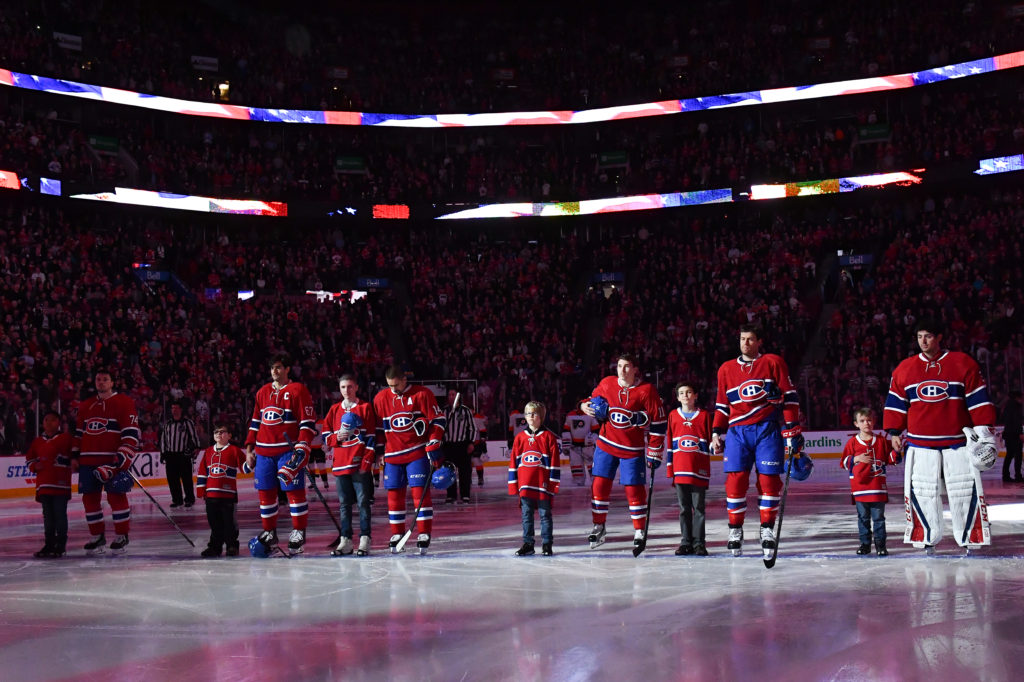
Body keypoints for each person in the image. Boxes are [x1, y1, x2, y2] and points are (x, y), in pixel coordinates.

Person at [884, 320, 996, 553]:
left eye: (928, 336)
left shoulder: (963, 363)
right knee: (923, 492)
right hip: (920, 444)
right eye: (919, 337)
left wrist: (985, 434)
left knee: (964, 491)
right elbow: (896, 404)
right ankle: (925, 536)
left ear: (940, 337)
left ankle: (969, 538)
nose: (923, 341)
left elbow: (978, 402)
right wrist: (894, 431)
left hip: (958, 443)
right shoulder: (904, 369)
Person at [711, 324, 802, 558]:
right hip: (737, 432)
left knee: (770, 481)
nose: (746, 343)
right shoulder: (726, 369)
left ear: (759, 341)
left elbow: (790, 398)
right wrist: (715, 433)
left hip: (767, 430)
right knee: (736, 481)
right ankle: (735, 530)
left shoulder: (773, 362)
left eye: (750, 339)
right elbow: (722, 405)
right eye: (742, 339)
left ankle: (767, 529)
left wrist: (792, 429)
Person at [580, 353, 666, 550]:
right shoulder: (607, 383)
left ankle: (639, 530)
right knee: (599, 486)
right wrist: (583, 405)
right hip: (605, 445)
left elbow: (659, 422)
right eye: (619, 365)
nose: (622, 370)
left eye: (627, 366)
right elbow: (591, 399)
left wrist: (655, 449)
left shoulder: (646, 390)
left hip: (632, 449)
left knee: (634, 489)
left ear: (635, 369)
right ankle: (598, 526)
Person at [244, 354, 317, 554]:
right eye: (272, 368)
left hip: (287, 451)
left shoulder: (298, 390)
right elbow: (255, 422)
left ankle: (298, 531)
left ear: (287, 369)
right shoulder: (262, 392)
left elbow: (307, 421)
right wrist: (250, 448)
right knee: (265, 493)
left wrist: (302, 445)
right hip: (263, 452)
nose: (274, 371)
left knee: (294, 491)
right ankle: (269, 532)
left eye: (278, 367)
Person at [373, 365, 446, 553]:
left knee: (419, 494)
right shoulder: (381, 398)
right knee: (394, 495)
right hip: (392, 455)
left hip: (416, 452)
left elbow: (438, 420)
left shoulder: (422, 394)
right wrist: (380, 452)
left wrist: (434, 440)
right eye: (389, 385)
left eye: (396, 385)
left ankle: (424, 532)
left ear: (404, 380)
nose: (393, 389)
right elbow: (379, 429)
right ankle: (397, 533)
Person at [73, 368, 140, 554]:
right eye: (98, 379)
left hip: (111, 459)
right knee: (89, 499)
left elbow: (131, 432)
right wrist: (75, 455)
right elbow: (79, 433)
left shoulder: (124, 402)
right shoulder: (86, 405)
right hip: (88, 460)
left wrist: (123, 454)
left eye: (105, 379)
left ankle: (121, 535)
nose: (101, 382)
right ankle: (97, 536)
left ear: (112, 383)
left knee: (116, 496)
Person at [323, 374, 377, 556]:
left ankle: (365, 538)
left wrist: (366, 462)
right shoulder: (334, 410)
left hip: (358, 465)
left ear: (356, 388)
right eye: (343, 387)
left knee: (363, 502)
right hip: (340, 465)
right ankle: (345, 540)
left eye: (350, 387)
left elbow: (371, 438)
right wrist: (334, 438)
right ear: (340, 389)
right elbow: (325, 436)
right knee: (344, 504)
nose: (347, 390)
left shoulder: (365, 408)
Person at [841, 408, 900, 556]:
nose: (866, 423)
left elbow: (891, 460)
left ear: (873, 422)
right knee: (863, 518)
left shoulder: (881, 441)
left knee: (879, 519)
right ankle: (865, 545)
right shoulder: (852, 443)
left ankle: (881, 546)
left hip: (877, 488)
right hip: (860, 488)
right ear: (856, 424)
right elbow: (843, 462)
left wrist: (897, 451)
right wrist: (856, 458)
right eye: (862, 421)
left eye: (869, 420)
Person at [508, 401, 560, 556]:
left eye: (534, 413)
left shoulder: (549, 437)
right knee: (526, 515)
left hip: (542, 485)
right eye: (528, 413)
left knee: (545, 515)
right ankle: (528, 543)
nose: (531, 416)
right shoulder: (519, 438)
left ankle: (546, 544)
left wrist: (553, 484)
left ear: (541, 416)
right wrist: (513, 484)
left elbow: (554, 463)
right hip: (525, 485)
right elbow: (514, 462)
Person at [665, 382, 711, 556]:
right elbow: (670, 444)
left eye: (689, 392)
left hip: (698, 470)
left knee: (698, 508)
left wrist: (706, 471)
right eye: (682, 393)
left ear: (696, 395)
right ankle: (686, 542)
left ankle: (699, 543)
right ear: (677, 397)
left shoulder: (704, 415)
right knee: (684, 508)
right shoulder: (672, 416)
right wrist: (670, 470)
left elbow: (707, 443)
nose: (685, 395)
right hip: (680, 470)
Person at [25, 411, 73, 558]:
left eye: (52, 420)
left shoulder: (66, 438)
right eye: (46, 420)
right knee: (48, 517)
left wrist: (61, 460)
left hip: (60, 484)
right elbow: (30, 459)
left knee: (59, 515)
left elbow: (73, 457)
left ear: (58, 423)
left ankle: (60, 545)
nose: (49, 423)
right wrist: (34, 466)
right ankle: (49, 544)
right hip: (44, 485)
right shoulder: (38, 441)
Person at [196, 424, 245, 557]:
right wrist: (201, 489)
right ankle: (215, 547)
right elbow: (202, 471)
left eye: (222, 432)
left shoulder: (234, 450)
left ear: (229, 435)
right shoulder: (208, 451)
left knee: (229, 523)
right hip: (211, 495)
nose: (218, 434)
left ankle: (232, 546)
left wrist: (251, 460)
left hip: (228, 495)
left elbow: (245, 468)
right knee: (214, 523)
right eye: (216, 432)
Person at [158, 401, 201, 509]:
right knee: (172, 480)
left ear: (181, 409)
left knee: (186, 479)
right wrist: (163, 453)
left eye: (176, 408)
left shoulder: (187, 422)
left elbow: (194, 436)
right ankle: (177, 500)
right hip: (171, 455)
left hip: (183, 455)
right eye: (172, 408)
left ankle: (189, 499)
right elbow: (163, 439)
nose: (174, 410)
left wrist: (196, 448)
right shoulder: (167, 424)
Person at [443, 388, 477, 504]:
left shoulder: (466, 411)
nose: (451, 396)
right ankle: (451, 495)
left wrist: (471, 443)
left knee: (464, 472)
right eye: (449, 394)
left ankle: (465, 495)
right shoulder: (444, 411)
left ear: (458, 396)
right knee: (449, 472)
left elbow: (472, 428)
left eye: (453, 394)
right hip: (448, 446)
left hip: (462, 445)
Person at [562, 398, 599, 485]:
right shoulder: (570, 415)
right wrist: (566, 443)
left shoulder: (590, 415)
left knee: (592, 467)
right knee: (576, 467)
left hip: (588, 447)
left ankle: (596, 484)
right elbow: (566, 430)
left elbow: (596, 430)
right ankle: (578, 483)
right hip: (574, 447)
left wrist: (591, 438)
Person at [1000, 391, 1022, 483]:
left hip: (1009, 433)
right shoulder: (1015, 406)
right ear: (1017, 397)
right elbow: (1016, 421)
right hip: (1014, 434)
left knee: (1009, 455)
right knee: (1018, 455)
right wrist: (1020, 433)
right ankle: (1018, 476)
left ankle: (1006, 475)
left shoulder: (1007, 406)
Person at [472, 408, 488, 486]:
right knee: (467, 463)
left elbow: (483, 431)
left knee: (477, 461)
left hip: (476, 443)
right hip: (465, 443)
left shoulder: (478, 418)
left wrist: (482, 443)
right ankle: (468, 479)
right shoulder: (463, 417)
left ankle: (480, 478)